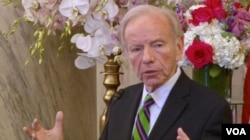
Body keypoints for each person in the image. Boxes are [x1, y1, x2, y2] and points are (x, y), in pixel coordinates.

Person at [23, 5, 232, 140]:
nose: (147, 58)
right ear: (126, 54)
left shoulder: (211, 108)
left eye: (158, 45)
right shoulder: (121, 101)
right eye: (136, 49)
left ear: (179, 47)